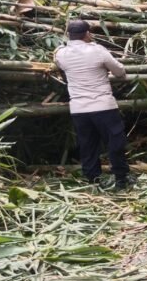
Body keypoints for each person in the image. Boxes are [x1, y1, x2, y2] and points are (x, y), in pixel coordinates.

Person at [54, 20, 134, 190]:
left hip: (79, 109)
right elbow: (119, 71)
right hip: (103, 106)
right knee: (115, 142)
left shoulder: (61, 54)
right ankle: (121, 178)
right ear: (87, 34)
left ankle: (94, 180)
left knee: (88, 144)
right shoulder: (97, 50)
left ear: (69, 35)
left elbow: (60, 65)